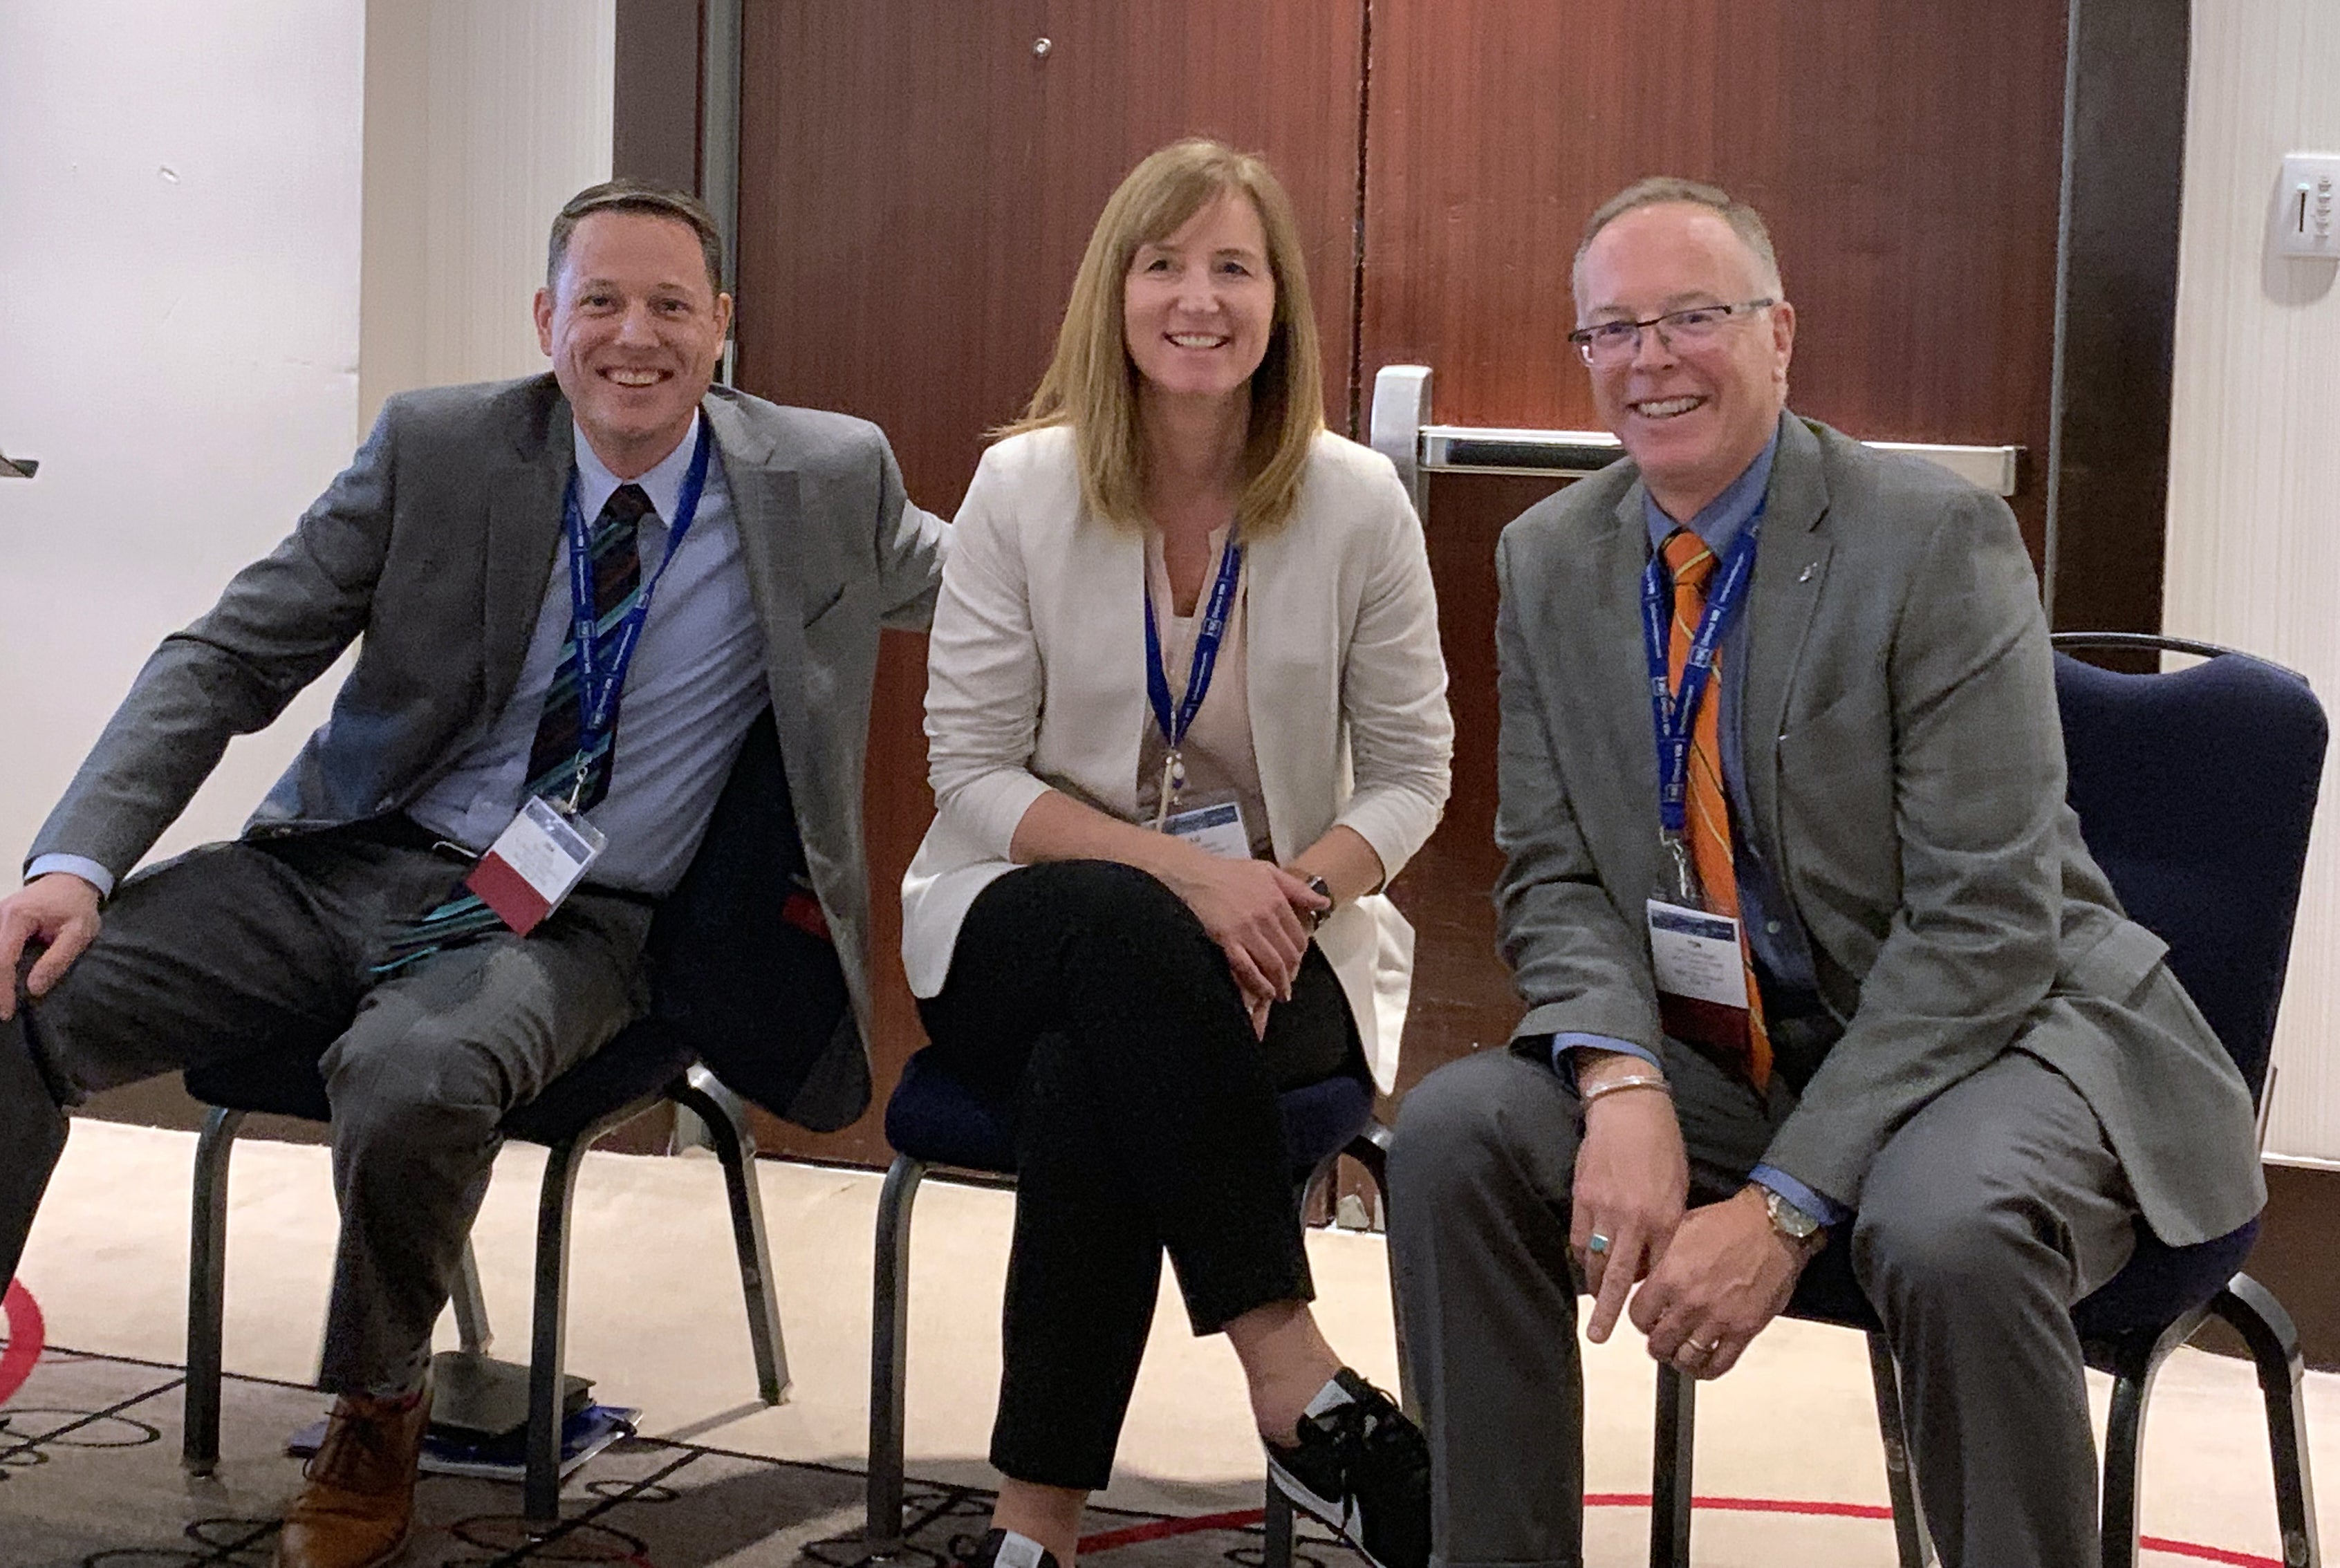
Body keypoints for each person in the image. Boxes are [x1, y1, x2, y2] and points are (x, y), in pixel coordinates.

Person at [0, 179, 945, 1568]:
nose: (636, 335)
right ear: (546, 318)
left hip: (581, 919)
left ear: (724, 327)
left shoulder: (824, 477)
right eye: (602, 300)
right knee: (27, 990)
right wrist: (76, 861)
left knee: (415, 1076)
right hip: (351, 861)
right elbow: (230, 653)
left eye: (672, 304)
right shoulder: (441, 447)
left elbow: (1000, 587)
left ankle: (378, 1403)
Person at [1387, 176, 2263, 1568]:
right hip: (1728, 1047)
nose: (1650, 358)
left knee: (1943, 1221)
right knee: (1455, 1135)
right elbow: (1552, 874)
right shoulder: (1549, 557)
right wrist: (1615, 1077)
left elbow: (1986, 924)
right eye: (1612, 330)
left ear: (1780, 334)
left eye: (1692, 316)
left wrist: (1787, 1206)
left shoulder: (1930, 540)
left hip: (2011, 1036)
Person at [902, 138, 1451, 1568]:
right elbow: (966, 773)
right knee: (1126, 942)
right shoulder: (1018, 492)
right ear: (1115, 293)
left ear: (1280, 305)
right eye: (1164, 265)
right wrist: (1200, 883)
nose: (1197, 299)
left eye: (1233, 267)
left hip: (1287, 942)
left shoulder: (1355, 504)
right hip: (1021, 921)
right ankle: (1292, 1371)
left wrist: (1293, 891)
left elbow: (1411, 777)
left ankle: (1035, 1538)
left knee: (1099, 1072)